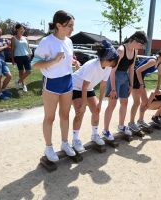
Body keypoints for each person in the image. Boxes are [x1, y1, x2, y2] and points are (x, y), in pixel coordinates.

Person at [31, 10, 80, 162]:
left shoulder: (69, 41)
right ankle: (48, 147)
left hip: (67, 80)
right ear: (58, 25)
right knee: (50, 117)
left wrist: (73, 62)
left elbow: (66, 57)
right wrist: (53, 61)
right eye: (69, 26)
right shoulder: (47, 42)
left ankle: (65, 143)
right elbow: (34, 64)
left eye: (73, 26)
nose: (72, 29)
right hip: (52, 82)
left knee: (65, 115)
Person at [71, 40, 119, 152]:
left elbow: (103, 85)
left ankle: (94, 135)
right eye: (115, 60)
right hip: (76, 86)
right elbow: (83, 86)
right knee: (80, 112)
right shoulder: (93, 66)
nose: (116, 62)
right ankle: (75, 140)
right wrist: (83, 104)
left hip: (87, 88)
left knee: (96, 111)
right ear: (107, 59)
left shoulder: (108, 67)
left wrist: (100, 102)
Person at [102, 31, 148, 140]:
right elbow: (112, 71)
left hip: (125, 77)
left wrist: (131, 84)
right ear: (135, 41)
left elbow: (131, 69)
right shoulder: (121, 50)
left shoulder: (135, 51)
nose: (141, 48)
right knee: (112, 104)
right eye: (141, 45)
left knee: (125, 102)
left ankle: (121, 126)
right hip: (115, 77)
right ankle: (106, 130)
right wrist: (113, 89)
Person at [128, 45, 161, 131]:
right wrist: (141, 85)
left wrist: (158, 87)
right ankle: (131, 123)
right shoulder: (153, 61)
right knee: (137, 102)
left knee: (145, 101)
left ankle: (140, 120)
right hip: (134, 78)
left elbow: (160, 74)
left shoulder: (160, 61)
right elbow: (137, 71)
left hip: (140, 78)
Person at [11, 23, 33, 92]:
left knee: (29, 71)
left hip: (26, 56)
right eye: (21, 29)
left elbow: (28, 47)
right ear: (17, 29)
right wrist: (13, 59)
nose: (22, 30)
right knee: (21, 71)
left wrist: (31, 52)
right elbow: (12, 49)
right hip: (18, 56)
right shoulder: (13, 38)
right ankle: (24, 85)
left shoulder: (26, 38)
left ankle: (18, 82)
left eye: (23, 29)